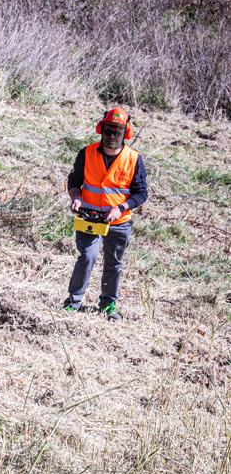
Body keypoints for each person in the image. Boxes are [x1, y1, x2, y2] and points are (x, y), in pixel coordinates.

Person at [64, 107, 148, 322]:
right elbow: (74, 181)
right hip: (88, 218)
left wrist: (119, 208)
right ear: (101, 129)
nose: (112, 136)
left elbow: (141, 194)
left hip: (119, 222)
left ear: (125, 133)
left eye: (117, 132)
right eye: (108, 131)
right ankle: (73, 302)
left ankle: (108, 304)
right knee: (86, 257)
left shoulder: (134, 159)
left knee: (114, 262)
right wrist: (75, 197)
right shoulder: (87, 152)